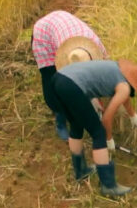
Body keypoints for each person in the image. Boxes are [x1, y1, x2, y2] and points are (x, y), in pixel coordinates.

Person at [50, 57, 137, 197]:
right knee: (98, 133)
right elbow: (107, 118)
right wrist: (108, 140)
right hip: (72, 86)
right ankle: (108, 185)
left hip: (59, 79)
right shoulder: (124, 87)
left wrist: (133, 115)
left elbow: (123, 95)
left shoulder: (118, 70)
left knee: (77, 125)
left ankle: (81, 171)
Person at [31, 11, 109, 140]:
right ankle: (60, 119)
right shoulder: (67, 58)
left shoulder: (97, 49)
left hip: (66, 29)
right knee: (53, 84)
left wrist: (95, 98)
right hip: (45, 35)